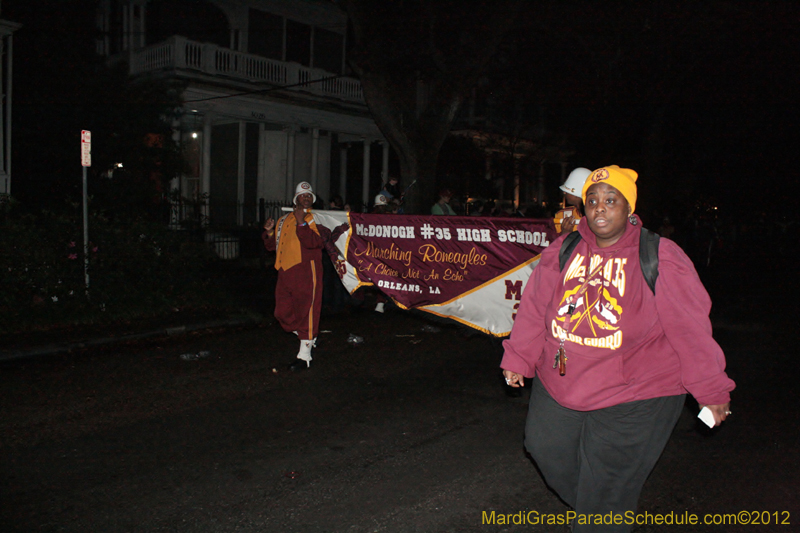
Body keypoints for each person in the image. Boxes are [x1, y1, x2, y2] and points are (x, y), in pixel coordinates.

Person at [501, 165, 734, 532]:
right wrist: (519, 357)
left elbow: (691, 329)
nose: (599, 208)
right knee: (544, 449)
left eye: (611, 200)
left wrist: (711, 389)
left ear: (629, 209)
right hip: (562, 379)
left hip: (637, 392)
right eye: (592, 200)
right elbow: (534, 307)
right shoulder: (565, 248)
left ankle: (602, 514)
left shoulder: (660, 255)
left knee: (606, 490)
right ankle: (602, 511)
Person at [262, 182, 345, 371]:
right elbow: (273, 246)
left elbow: (315, 243)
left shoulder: (316, 218)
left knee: (307, 311)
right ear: (296, 199)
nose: (306, 198)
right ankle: (307, 336)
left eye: (309, 196)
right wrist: (268, 232)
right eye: (303, 195)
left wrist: (302, 222)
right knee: (281, 313)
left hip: (307, 271)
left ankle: (304, 355)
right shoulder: (284, 219)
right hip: (284, 271)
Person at [554, 167, 591, 235]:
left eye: (567, 191)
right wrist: (564, 233)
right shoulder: (562, 215)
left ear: (578, 194)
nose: (564, 193)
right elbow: (555, 244)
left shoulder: (597, 216)